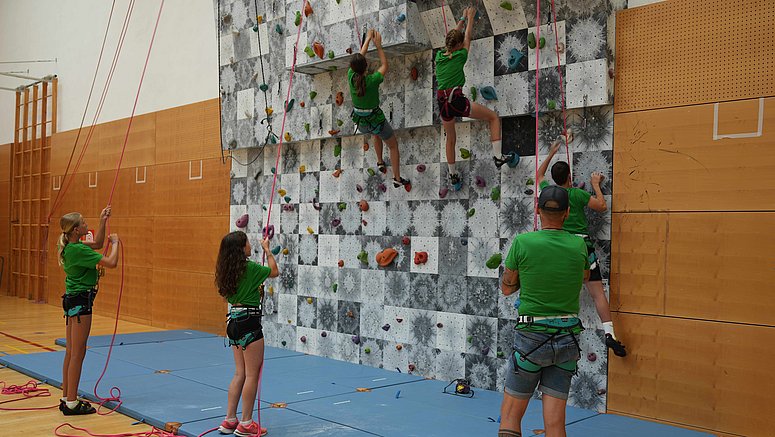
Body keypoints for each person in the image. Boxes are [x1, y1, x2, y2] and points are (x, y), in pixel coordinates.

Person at [499, 186, 589, 437]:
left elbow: (507, 288)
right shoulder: (579, 245)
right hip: (567, 338)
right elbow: (583, 276)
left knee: (510, 416)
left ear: (537, 210)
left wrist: (526, 278)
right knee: (555, 423)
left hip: (531, 338)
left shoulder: (523, 242)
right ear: (567, 212)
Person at [537, 138, 626, 357]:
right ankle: (609, 333)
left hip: (559, 248)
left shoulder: (549, 193)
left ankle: (554, 331)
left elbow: (538, 176)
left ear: (554, 179)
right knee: (597, 294)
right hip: (582, 247)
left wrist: (551, 152)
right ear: (569, 177)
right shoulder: (577, 194)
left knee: (560, 291)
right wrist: (595, 184)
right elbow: (601, 206)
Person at [435, 6, 517, 191]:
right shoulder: (460, 56)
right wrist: (470, 18)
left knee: (450, 139)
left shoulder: (439, 57)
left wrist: (462, 18)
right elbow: (467, 37)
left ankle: (453, 175)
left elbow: (455, 38)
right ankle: (498, 156)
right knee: (493, 117)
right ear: (458, 46)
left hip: (442, 103)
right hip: (456, 101)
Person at [215, 231, 279, 437]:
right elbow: (274, 271)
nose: (251, 245)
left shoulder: (226, 271)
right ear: (242, 248)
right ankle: (246, 423)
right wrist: (267, 250)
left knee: (239, 373)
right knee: (252, 375)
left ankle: (229, 419)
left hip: (234, 322)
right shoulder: (250, 268)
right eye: (248, 243)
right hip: (249, 323)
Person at [58, 206, 119, 415]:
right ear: (76, 230)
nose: (86, 225)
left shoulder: (71, 246)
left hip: (73, 301)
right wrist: (116, 243)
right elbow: (111, 262)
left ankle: (67, 397)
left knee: (71, 351)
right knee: (78, 353)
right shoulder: (79, 250)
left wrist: (103, 220)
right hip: (80, 303)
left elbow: (98, 243)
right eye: (83, 223)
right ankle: (72, 402)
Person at [349, 29, 411, 192]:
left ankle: (380, 162)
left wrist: (367, 40)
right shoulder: (373, 80)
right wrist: (378, 46)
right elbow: (385, 65)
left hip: (361, 122)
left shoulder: (351, 76)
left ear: (352, 68)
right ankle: (397, 179)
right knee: (393, 146)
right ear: (366, 66)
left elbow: (360, 57)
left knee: (374, 133)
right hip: (375, 120)